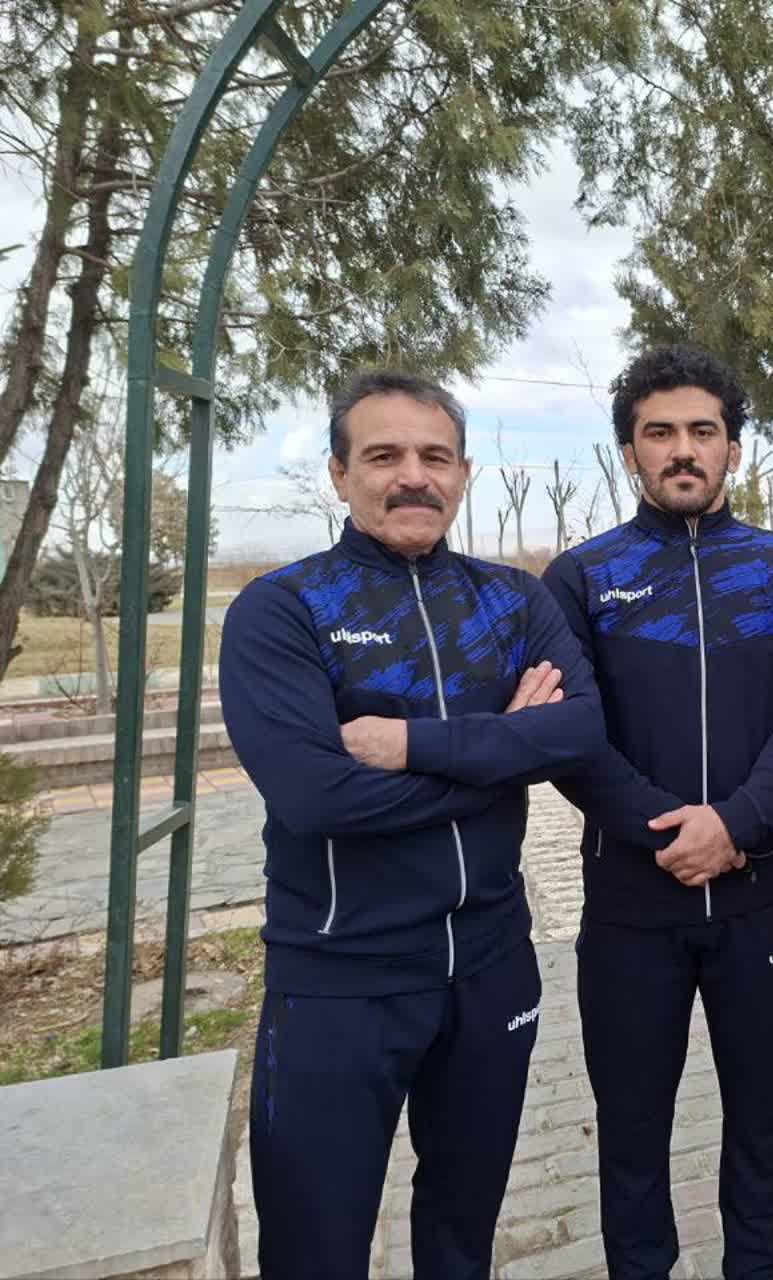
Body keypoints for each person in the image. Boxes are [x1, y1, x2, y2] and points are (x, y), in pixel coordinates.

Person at [220, 370, 608, 1279]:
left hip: (492, 965)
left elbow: (581, 730)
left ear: (463, 473)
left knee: (461, 1235)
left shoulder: (513, 601)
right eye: (383, 455)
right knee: (315, 1250)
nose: (412, 476)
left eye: (435, 456)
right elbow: (318, 798)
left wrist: (411, 746)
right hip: (339, 978)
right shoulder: (283, 609)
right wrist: (505, 752)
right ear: (339, 473)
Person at [541, 344, 773, 1280]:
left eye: (702, 431)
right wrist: (669, 830)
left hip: (761, 898)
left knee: (762, 1118)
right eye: (658, 432)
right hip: (631, 904)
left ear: (732, 449)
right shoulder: (582, 579)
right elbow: (570, 734)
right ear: (629, 451)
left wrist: (736, 824)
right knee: (631, 1127)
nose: (682, 449)